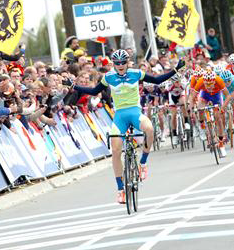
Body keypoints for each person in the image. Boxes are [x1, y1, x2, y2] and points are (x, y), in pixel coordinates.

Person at [71, 49, 185, 204]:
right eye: (117, 63)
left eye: (123, 62)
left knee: (150, 129)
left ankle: (143, 162)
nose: (120, 65)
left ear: (127, 62)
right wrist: (74, 86)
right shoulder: (109, 76)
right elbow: (93, 91)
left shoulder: (136, 73)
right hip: (119, 117)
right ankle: (120, 189)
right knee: (116, 150)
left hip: (135, 112)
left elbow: (157, 80)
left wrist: (175, 69)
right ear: (113, 64)